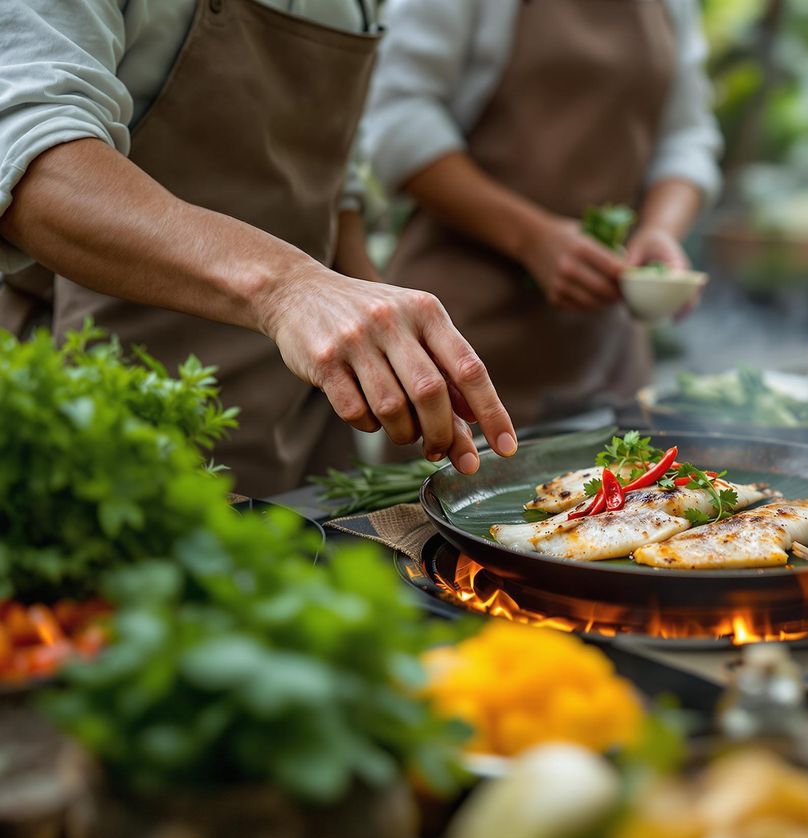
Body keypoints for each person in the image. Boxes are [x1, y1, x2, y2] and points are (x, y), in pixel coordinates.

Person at [0, 0, 517, 496]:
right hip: (113, 404)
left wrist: (377, 314)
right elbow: (34, 159)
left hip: (308, 417)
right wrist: (289, 289)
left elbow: (330, 169)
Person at [362, 0, 722, 428]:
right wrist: (533, 238)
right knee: (443, 489)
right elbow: (396, 118)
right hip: (462, 335)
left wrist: (660, 230)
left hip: (608, 346)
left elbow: (687, 134)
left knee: (630, 487)